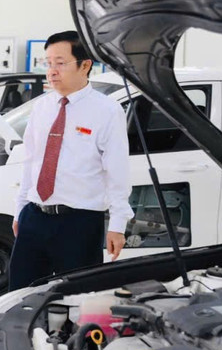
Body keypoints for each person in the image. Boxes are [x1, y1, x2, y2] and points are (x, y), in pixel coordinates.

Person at [9, 30, 133, 291]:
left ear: (85, 65)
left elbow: (117, 172)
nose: (52, 71)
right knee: (22, 297)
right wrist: (21, 208)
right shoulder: (42, 107)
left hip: (80, 224)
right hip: (35, 217)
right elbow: (32, 162)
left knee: (79, 300)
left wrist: (119, 225)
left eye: (60, 63)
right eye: (48, 63)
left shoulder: (107, 111)